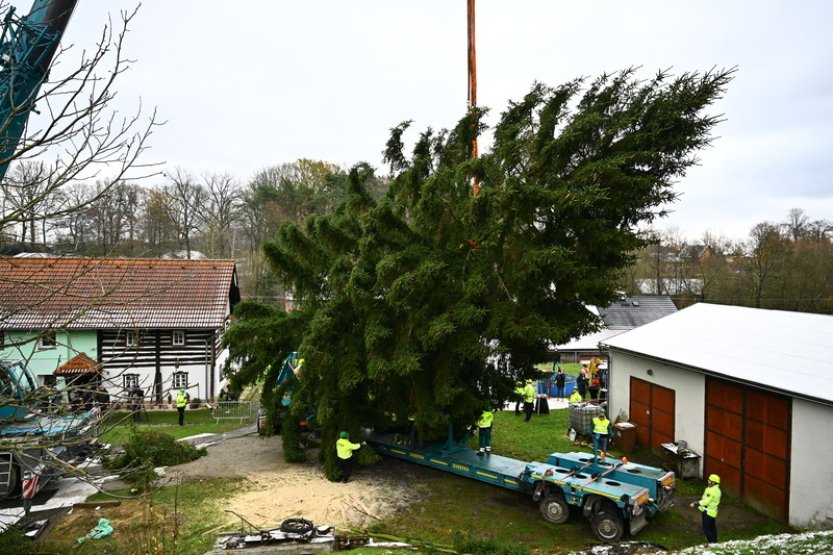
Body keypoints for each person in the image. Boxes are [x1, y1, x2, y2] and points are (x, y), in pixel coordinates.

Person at [690, 474, 722, 543]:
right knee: (712, 528)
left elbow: (706, 501)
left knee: (706, 529)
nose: (708, 481)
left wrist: (696, 503)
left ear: (713, 482)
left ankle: (712, 543)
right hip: (712, 512)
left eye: (709, 480)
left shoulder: (711, 491)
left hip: (707, 513)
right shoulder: (717, 490)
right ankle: (715, 542)